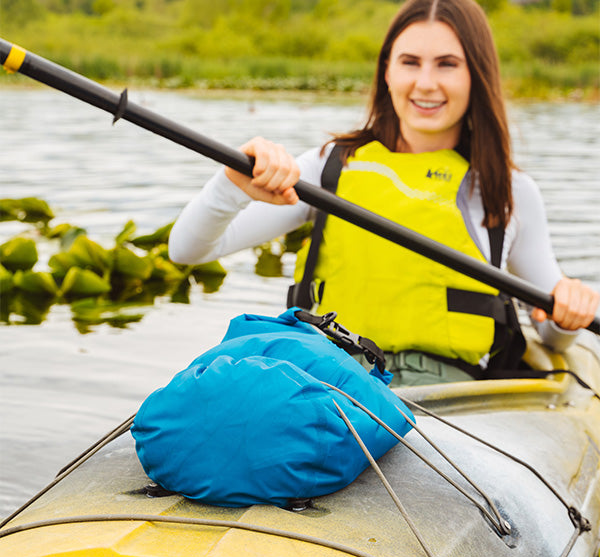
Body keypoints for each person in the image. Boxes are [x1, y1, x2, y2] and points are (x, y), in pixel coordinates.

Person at [169, 0, 599, 385]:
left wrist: (568, 315)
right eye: (410, 62)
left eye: (447, 64)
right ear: (387, 72)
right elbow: (187, 250)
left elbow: (551, 337)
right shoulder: (328, 167)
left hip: (449, 399)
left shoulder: (506, 191)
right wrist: (230, 184)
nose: (426, 83)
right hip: (328, 378)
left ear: (476, 75)